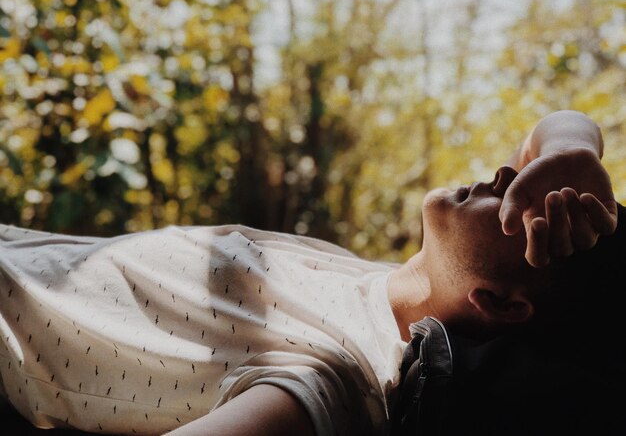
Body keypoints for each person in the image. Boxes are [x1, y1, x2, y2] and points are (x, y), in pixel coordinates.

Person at [0, 110, 621, 436]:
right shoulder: (359, 280)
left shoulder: (338, 372)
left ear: (502, 304)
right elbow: (557, 122)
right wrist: (577, 155)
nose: (515, 178)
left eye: (537, 217)